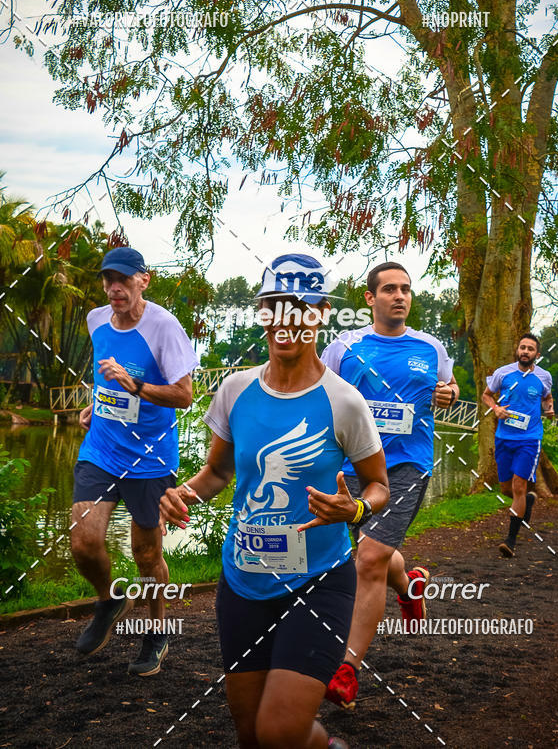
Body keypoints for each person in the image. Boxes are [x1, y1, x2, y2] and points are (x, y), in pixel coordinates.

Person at [160, 252, 389, 749]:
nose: (286, 320)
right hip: (244, 581)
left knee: (278, 731)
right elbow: (218, 472)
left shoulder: (343, 401)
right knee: (249, 735)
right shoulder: (235, 389)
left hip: (318, 580)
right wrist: (184, 495)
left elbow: (379, 486)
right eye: (274, 306)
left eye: (299, 307)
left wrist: (356, 510)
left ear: (320, 314)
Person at [322, 261, 459, 709]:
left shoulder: (430, 346)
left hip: (405, 465)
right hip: (351, 464)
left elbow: (449, 387)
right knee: (370, 548)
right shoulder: (344, 346)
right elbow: (318, 391)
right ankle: (410, 585)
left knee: (368, 556)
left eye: (406, 289)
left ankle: (347, 668)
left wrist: (449, 394)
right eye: (389, 290)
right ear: (370, 298)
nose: (400, 296)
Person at [71, 247, 198, 675]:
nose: (114, 288)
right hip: (101, 449)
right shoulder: (95, 320)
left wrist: (135, 385)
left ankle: (156, 630)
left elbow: (184, 395)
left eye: (123, 280)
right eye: (108, 280)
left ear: (145, 279)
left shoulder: (164, 327)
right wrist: (96, 405)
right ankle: (108, 599)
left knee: (145, 555)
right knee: (82, 540)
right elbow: (102, 374)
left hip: (148, 458)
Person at [482, 332, 554, 558]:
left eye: (530, 349)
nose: (525, 351)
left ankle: (510, 540)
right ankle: (528, 504)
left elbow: (547, 397)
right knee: (506, 489)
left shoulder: (544, 377)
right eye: (522, 347)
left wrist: (549, 408)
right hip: (504, 437)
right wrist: (496, 409)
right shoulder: (503, 373)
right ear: (517, 350)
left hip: (530, 439)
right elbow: (487, 395)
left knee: (519, 486)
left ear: (537, 354)